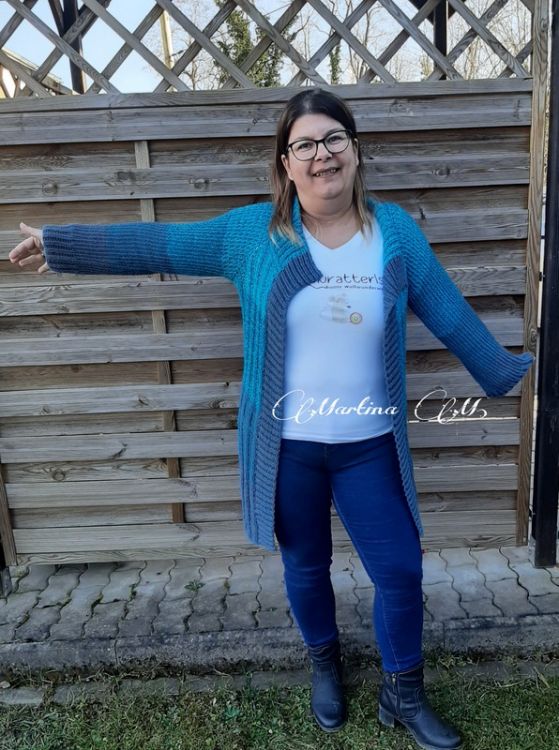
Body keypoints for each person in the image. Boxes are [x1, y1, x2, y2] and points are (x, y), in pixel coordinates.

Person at [10, 88, 534, 750]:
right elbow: (163, 243)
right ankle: (325, 668)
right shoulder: (254, 235)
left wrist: (509, 372)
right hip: (287, 450)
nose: (322, 155)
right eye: (304, 145)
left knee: (400, 569)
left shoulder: (394, 232)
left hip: (369, 446)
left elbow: (449, 313)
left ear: (355, 149)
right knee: (305, 567)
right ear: (286, 163)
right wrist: (62, 244)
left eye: (334, 139)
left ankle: (403, 692)